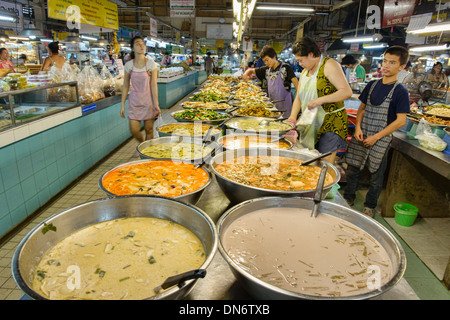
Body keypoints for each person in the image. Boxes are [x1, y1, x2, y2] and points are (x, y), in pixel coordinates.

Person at [344, 46, 410, 218]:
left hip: (381, 138)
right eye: (385, 61)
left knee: (375, 174)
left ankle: (370, 205)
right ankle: (348, 198)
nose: (386, 66)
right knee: (353, 168)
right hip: (363, 132)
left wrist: (376, 137)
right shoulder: (372, 85)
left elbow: (400, 120)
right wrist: (358, 127)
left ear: (401, 67)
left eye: (392, 62)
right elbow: (361, 109)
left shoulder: (400, 91)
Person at [287, 37, 352, 164]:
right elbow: (298, 97)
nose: (300, 63)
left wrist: (321, 100)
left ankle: (327, 184)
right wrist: (292, 119)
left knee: (324, 164)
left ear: (311, 54)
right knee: (309, 160)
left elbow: (346, 91)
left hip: (330, 123)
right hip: (311, 122)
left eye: (301, 60)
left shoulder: (329, 65)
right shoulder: (306, 71)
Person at [121, 36, 161, 157]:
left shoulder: (150, 64)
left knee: (149, 130)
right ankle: (142, 145)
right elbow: (125, 86)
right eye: (137, 43)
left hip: (148, 101)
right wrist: (122, 105)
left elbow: (154, 85)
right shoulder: (128, 65)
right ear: (133, 48)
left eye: (143, 43)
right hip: (134, 102)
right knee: (134, 130)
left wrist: (156, 104)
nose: (141, 45)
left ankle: (146, 152)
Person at [242, 45, 299, 118]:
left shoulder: (286, 68)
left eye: (267, 60)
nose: (266, 63)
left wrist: (299, 102)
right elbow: (250, 70)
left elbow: (296, 84)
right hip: (272, 109)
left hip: (285, 109)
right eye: (264, 61)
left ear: (274, 57)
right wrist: (245, 74)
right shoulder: (266, 69)